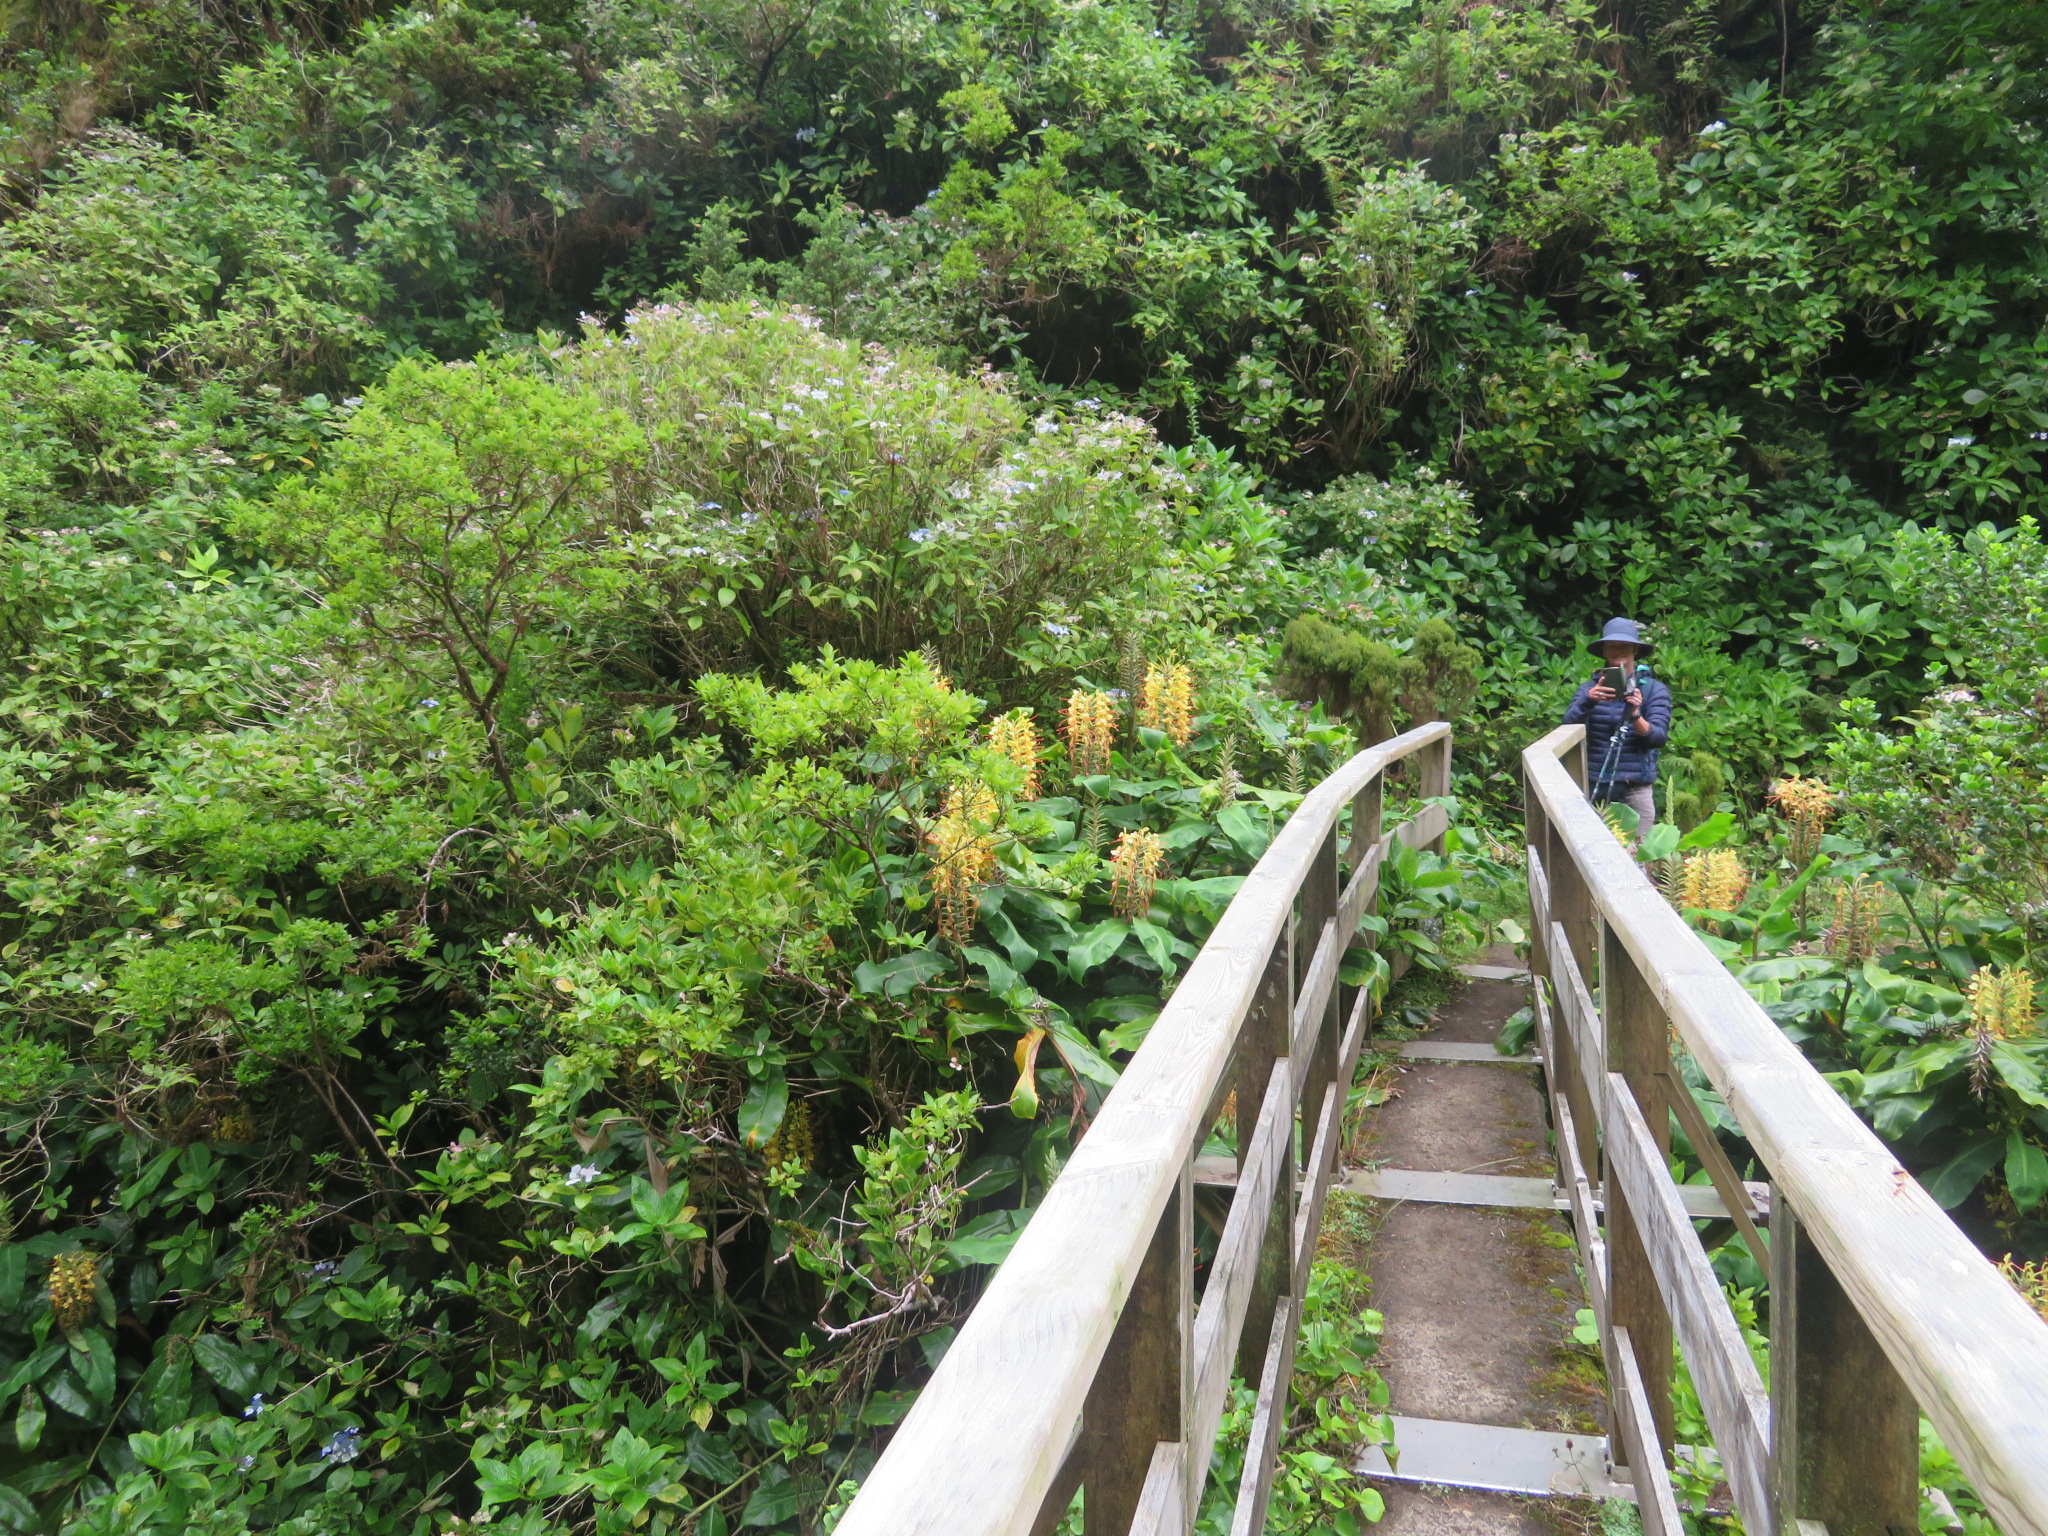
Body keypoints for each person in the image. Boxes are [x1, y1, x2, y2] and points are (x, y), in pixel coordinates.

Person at [1563, 617, 1672, 826]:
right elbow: (1567, 727)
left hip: (1635, 788)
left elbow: (1657, 738)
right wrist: (1589, 700)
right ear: (1604, 651)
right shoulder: (1588, 689)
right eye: (1612, 646)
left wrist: (1636, 715)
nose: (1618, 651)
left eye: (1625, 646)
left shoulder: (1653, 690)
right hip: (1593, 784)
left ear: (1635, 651)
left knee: (1637, 854)